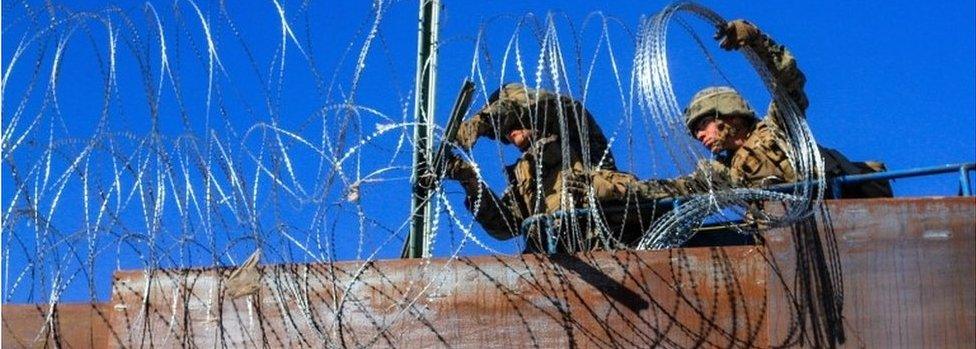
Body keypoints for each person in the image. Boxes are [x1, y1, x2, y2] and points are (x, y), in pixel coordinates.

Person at [623, 19, 892, 200]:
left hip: (839, 207)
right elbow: (676, 190)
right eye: (695, 133)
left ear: (726, 114)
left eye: (702, 125)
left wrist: (754, 39)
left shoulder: (780, 128)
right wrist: (621, 190)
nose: (699, 136)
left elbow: (787, 78)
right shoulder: (726, 174)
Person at [443, 83, 642, 253]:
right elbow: (505, 226)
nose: (508, 134)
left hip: (601, 243)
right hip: (556, 260)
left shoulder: (573, 133)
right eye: (503, 134)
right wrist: (469, 179)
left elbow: (542, 104)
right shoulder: (524, 175)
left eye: (512, 124)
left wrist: (484, 121)